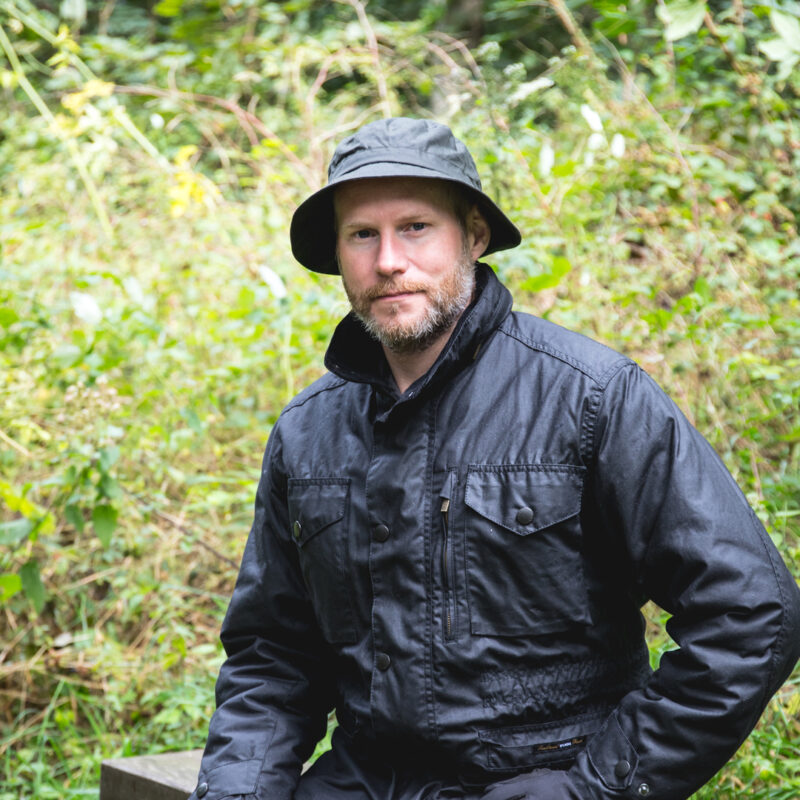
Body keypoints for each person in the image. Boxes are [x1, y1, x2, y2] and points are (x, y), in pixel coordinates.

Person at [188, 118, 800, 800]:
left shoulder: (590, 398)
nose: (389, 260)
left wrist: (595, 789)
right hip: (362, 782)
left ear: (474, 236)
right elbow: (272, 655)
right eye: (363, 234)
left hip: (545, 780)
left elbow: (752, 613)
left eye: (416, 227)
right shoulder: (309, 433)